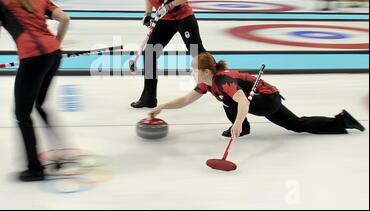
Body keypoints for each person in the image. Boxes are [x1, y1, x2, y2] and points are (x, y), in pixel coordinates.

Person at [0, 0, 70, 181]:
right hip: (54, 56)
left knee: (22, 114)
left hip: (33, 58)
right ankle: (60, 154)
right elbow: (65, 19)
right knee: (40, 105)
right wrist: (56, 44)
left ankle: (35, 168)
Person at [149, 52, 365, 138]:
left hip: (265, 100)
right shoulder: (208, 83)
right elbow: (186, 99)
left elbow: (242, 101)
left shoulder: (223, 81)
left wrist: (238, 123)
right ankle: (342, 121)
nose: (191, 72)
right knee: (297, 124)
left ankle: (243, 129)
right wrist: (162, 107)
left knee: (229, 101)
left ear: (206, 71)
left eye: (193, 69)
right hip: (268, 98)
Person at [131, 0, 207, 108]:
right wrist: (147, 14)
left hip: (183, 18)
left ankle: (219, 84)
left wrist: (170, 5)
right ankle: (149, 98)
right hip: (165, 20)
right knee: (150, 53)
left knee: (199, 56)